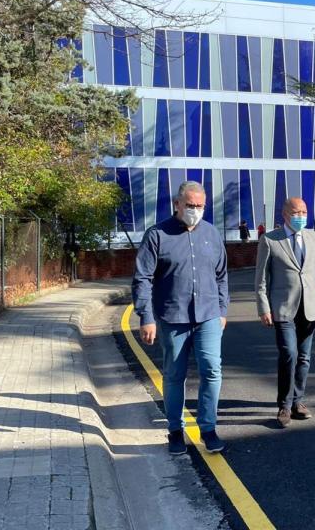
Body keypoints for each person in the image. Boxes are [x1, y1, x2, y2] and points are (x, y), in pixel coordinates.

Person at [132, 181, 229, 454]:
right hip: (173, 316)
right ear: (177, 204)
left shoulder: (211, 234)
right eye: (190, 205)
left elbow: (221, 275)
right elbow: (142, 278)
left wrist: (223, 310)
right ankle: (175, 430)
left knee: (212, 369)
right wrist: (146, 316)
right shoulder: (157, 235)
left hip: (208, 315)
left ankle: (208, 428)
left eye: (200, 206)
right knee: (174, 374)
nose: (195, 210)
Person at [255, 198, 315, 428]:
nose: (301, 216)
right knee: (289, 353)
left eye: (304, 212)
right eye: (296, 212)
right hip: (283, 308)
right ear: (285, 214)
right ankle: (284, 405)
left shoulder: (314, 238)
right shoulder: (270, 240)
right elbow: (261, 279)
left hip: (309, 307)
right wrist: (264, 307)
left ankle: (298, 401)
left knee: (304, 357)